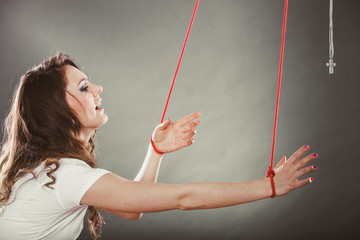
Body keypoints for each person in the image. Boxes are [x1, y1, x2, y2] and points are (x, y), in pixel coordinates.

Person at [0, 53, 318, 240]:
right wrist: (270, 187)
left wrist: (156, 151)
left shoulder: (51, 168)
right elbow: (184, 198)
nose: (97, 88)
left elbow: (132, 209)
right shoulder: (67, 176)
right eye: (84, 87)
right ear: (58, 111)